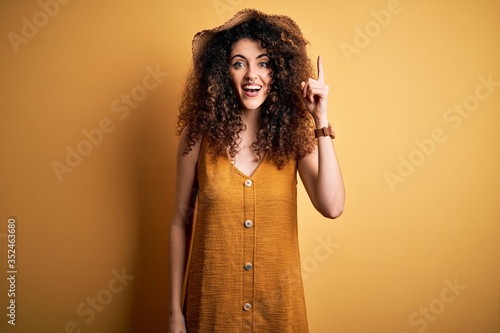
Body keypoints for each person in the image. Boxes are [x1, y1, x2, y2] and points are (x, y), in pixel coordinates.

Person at [169, 8, 344, 333]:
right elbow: (181, 220)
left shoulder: (294, 135)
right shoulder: (199, 135)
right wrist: (174, 314)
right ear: (224, 72)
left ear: (278, 72)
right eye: (239, 63)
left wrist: (320, 121)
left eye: (263, 63)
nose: (252, 74)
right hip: (212, 312)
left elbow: (332, 206)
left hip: (279, 314)